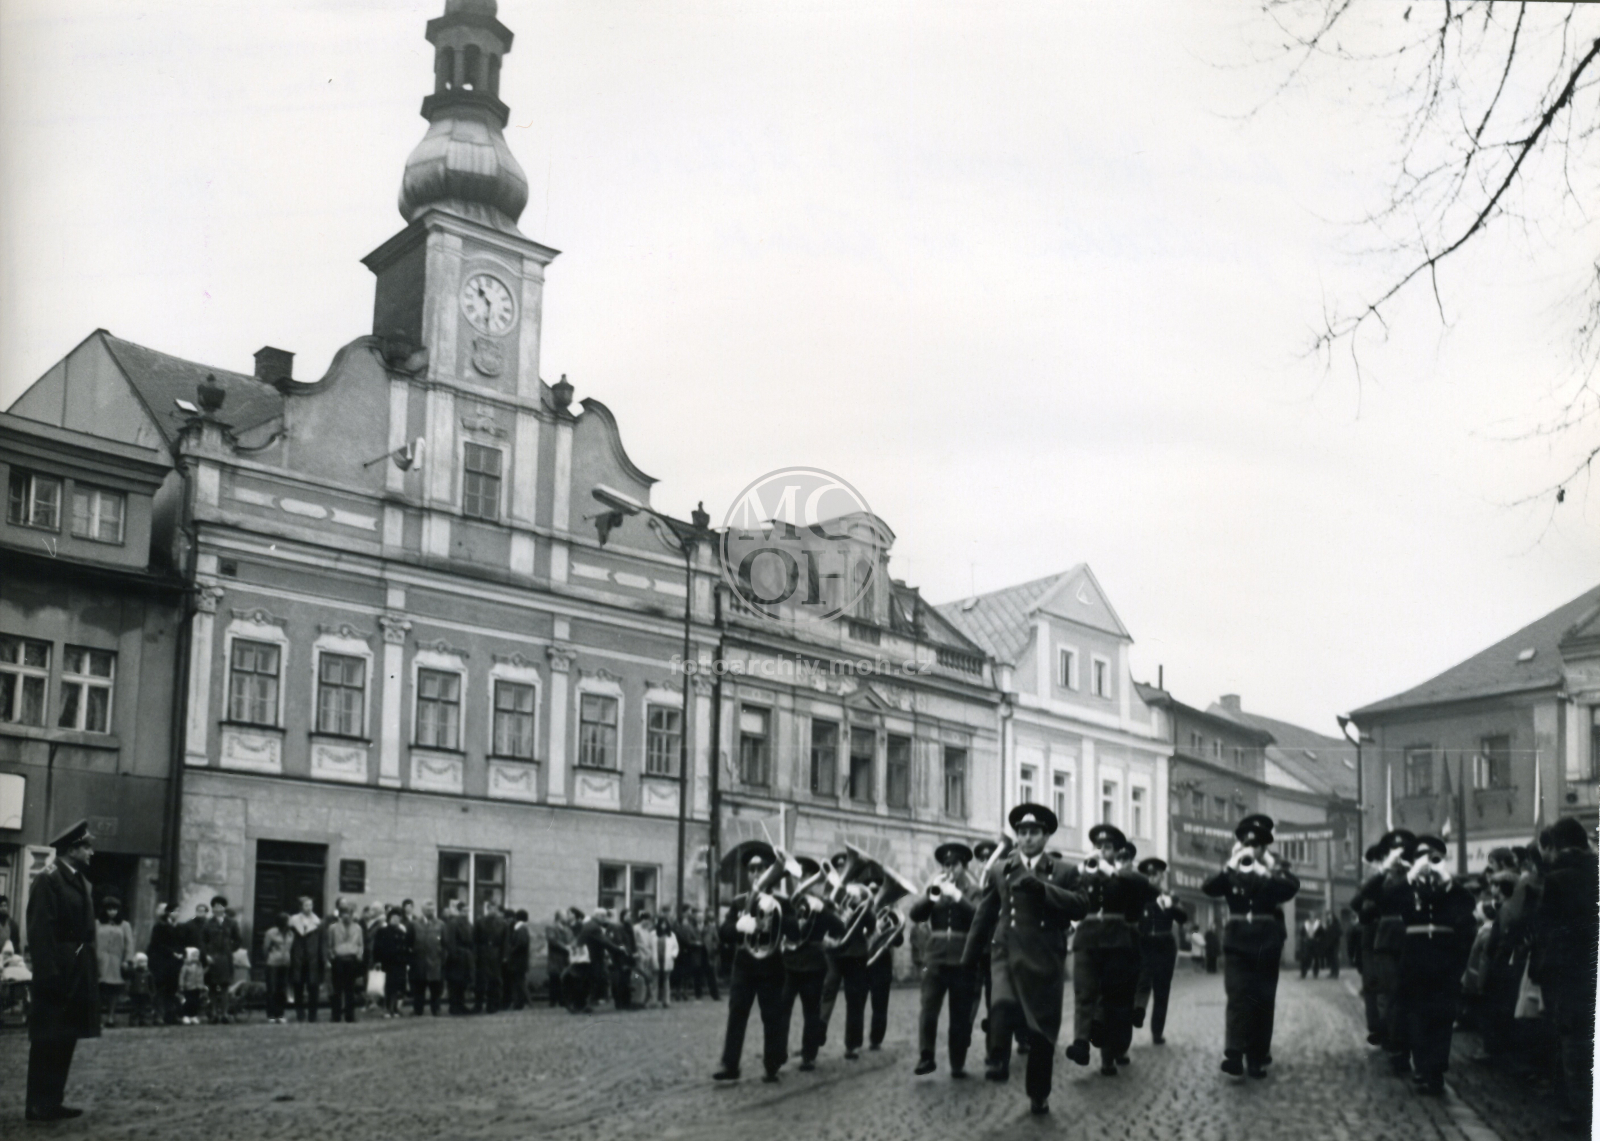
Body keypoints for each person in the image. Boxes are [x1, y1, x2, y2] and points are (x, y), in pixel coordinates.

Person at [964, 803, 1088, 1117]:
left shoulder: (1064, 871)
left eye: (1034, 832)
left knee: (1042, 1034)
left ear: (1046, 836)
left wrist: (1045, 890)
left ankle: (1038, 1094)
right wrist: (968, 956)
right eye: (1022, 832)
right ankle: (996, 1060)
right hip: (1006, 950)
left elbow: (1081, 906)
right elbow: (985, 913)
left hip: (1045, 957)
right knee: (1001, 1003)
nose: (1027, 838)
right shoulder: (1000, 868)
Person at [1202, 813, 1300, 1080]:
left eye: (1256, 846)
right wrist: (1229, 866)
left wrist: (1263, 871)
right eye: (1247, 844)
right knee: (1237, 997)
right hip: (1236, 942)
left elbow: (1291, 887)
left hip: (1265, 943)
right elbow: (1209, 887)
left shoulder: (1274, 868)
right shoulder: (1233, 868)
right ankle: (1234, 1053)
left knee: (1262, 1001)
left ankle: (1256, 1057)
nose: (1251, 850)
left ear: (1265, 847)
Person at [1064, 824, 1155, 1076]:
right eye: (1098, 847)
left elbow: (1148, 887)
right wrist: (1081, 872)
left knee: (1112, 1000)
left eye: (1107, 848)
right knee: (1084, 993)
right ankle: (1081, 1043)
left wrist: (1112, 872)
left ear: (1116, 852)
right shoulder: (1083, 874)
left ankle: (1108, 1056)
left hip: (1117, 943)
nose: (1101, 852)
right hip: (1087, 941)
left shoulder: (1125, 877)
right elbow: (1068, 894)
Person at [25, 820, 100, 1122]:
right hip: (56, 972)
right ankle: (37, 1104)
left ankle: (53, 1101)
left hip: (76, 970)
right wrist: (49, 974)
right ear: (72, 850)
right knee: (47, 1039)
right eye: (87, 847)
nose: (91, 852)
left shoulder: (79, 880)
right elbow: (40, 931)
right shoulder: (48, 879)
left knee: (66, 1036)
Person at [1392, 835, 1476, 1096]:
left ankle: (1435, 1072)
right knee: (1417, 1016)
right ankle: (1422, 1067)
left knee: (1441, 1017)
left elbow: (1467, 908)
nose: (1428, 861)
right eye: (1421, 856)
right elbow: (1389, 899)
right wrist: (1411, 875)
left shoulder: (1453, 890)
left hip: (1443, 962)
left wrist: (1447, 880)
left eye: (1433, 856)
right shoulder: (1409, 886)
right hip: (1415, 961)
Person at [1531, 816, 1597, 1133]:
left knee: (1574, 1041)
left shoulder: (1557, 880)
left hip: (1572, 972)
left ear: (1557, 846)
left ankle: (1580, 1110)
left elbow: (1545, 930)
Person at [713, 852, 790, 1083]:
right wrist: (740, 925)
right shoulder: (739, 902)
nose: (756, 873)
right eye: (752, 869)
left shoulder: (782, 901)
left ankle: (772, 1064)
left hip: (771, 966)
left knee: (772, 1016)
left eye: (760, 869)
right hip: (745, 966)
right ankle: (730, 1065)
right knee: (737, 1014)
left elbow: (795, 931)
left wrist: (778, 918)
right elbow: (724, 933)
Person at [909, 841, 978, 1077]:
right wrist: (930, 895)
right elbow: (915, 914)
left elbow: (979, 917)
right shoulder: (935, 887)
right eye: (946, 864)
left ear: (964, 866)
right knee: (928, 1008)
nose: (949, 869)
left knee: (960, 1014)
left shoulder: (973, 890)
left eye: (954, 865)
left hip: (962, 958)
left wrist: (958, 896)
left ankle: (957, 1062)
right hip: (935, 956)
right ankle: (926, 1057)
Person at [1132, 857, 1188, 1045]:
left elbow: (1183, 918)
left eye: (1155, 874)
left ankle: (1157, 1032)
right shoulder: (1138, 897)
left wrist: (1170, 904)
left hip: (1165, 946)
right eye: (1148, 875)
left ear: (1161, 876)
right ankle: (1138, 1011)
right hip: (1145, 943)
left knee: (1162, 990)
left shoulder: (1169, 896)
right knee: (1143, 981)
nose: (1152, 878)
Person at [94, 895, 134, 1029]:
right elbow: (91, 942)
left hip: (116, 962)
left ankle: (111, 1017)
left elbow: (129, 944)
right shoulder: (97, 924)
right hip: (100, 961)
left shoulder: (124, 925)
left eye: (115, 909)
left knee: (113, 991)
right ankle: (97, 1018)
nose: (112, 912)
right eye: (109, 909)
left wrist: (127, 960)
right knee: (98, 990)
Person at [201, 895, 242, 1024]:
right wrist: (206, 955)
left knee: (224, 986)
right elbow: (202, 941)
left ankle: (224, 1013)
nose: (218, 909)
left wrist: (230, 949)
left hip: (225, 958)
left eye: (221, 906)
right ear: (212, 908)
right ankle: (213, 1014)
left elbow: (238, 940)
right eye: (215, 906)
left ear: (224, 908)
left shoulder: (232, 923)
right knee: (212, 986)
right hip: (212, 958)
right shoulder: (207, 923)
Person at [326, 897, 365, 1022]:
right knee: (337, 990)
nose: (347, 916)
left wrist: (359, 955)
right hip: (338, 960)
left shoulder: (358, 928)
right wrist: (332, 956)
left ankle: (350, 1015)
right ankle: (336, 1015)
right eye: (344, 914)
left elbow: (360, 944)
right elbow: (329, 945)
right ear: (340, 914)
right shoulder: (332, 928)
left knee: (350, 989)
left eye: (349, 913)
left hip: (352, 960)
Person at [146, 903, 186, 1026]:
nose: (177, 914)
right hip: (161, 961)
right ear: (168, 913)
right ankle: (158, 1015)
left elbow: (182, 943)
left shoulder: (179, 927)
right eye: (174, 911)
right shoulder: (159, 927)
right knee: (160, 988)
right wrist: (172, 953)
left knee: (172, 988)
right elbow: (156, 944)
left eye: (178, 911)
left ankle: (171, 1015)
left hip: (175, 962)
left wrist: (181, 953)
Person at [288, 896, 324, 1022]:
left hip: (312, 959)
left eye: (310, 905)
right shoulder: (293, 921)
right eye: (306, 905)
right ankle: (300, 1013)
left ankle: (312, 1014)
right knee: (298, 986)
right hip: (298, 958)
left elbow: (321, 943)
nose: (309, 908)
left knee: (313, 987)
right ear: (300, 907)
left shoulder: (317, 922)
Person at [372, 909, 412, 1017]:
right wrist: (377, 961)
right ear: (389, 919)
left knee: (398, 988)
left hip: (400, 964)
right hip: (387, 964)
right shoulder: (382, 931)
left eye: (398, 918)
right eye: (394, 918)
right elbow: (377, 948)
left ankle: (395, 1008)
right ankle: (387, 1009)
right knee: (388, 987)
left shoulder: (402, 932)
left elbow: (406, 948)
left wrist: (407, 962)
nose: (396, 920)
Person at [411, 899, 445, 1016]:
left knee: (436, 989)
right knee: (419, 988)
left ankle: (436, 1009)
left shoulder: (440, 924)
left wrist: (441, 955)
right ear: (422, 910)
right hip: (419, 961)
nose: (429, 911)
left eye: (431, 909)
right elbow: (410, 941)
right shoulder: (415, 924)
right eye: (427, 909)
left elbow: (445, 943)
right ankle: (418, 1010)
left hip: (435, 961)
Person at [474, 899, 508, 1014]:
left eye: (495, 908)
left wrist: (504, 956)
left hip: (496, 953)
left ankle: (492, 1005)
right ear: (487, 909)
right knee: (481, 981)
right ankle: (478, 1005)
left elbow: (505, 941)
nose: (493, 911)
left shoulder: (503, 923)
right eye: (491, 908)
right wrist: (476, 954)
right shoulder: (480, 922)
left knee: (494, 981)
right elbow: (475, 939)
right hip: (482, 953)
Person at [443, 898, 476, 1015]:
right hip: (457, 956)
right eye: (463, 911)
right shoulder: (453, 923)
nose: (465, 914)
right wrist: (454, 955)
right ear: (459, 911)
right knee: (454, 983)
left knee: (463, 983)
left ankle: (461, 1005)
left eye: (467, 911)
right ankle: (454, 1006)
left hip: (466, 956)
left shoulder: (468, 924)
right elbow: (450, 941)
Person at [261, 912, 293, 1023]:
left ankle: (280, 1014)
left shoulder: (290, 934)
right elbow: (265, 948)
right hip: (273, 964)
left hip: (285, 964)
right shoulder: (271, 933)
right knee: (272, 989)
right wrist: (268, 959)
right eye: (289, 920)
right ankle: (271, 1014)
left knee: (282, 990)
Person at [544, 910, 573, 1008]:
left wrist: (571, 946)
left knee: (564, 979)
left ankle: (563, 1000)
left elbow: (571, 939)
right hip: (556, 957)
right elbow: (553, 940)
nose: (567, 917)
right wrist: (565, 947)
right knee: (554, 979)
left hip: (565, 958)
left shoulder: (567, 928)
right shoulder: (551, 927)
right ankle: (553, 1001)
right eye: (565, 916)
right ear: (559, 917)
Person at [651, 912, 679, 1009]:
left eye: (665, 924)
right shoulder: (653, 934)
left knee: (666, 981)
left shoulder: (671, 935)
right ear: (658, 924)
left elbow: (676, 947)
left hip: (667, 959)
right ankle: (653, 1001)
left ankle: (666, 1001)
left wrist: (673, 955)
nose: (663, 926)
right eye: (661, 924)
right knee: (655, 981)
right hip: (656, 959)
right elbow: (649, 946)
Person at [507, 909, 533, 1011]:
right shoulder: (523, 928)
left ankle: (527, 1002)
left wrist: (511, 951)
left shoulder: (520, 929)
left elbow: (520, 944)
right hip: (520, 960)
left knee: (519, 982)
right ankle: (519, 1003)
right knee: (518, 981)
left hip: (518, 960)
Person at [178, 947, 206, 1024]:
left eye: (197, 956)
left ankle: (193, 1015)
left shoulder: (199, 966)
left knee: (195, 1002)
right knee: (188, 1002)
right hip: (188, 987)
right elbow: (182, 976)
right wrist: (181, 985)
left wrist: (202, 985)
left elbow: (201, 976)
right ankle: (186, 1015)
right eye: (193, 956)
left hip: (197, 987)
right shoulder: (185, 966)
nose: (196, 958)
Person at [127, 952, 154, 1027]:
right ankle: (133, 1021)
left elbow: (151, 984)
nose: (143, 964)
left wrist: (152, 992)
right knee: (134, 1008)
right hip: (135, 993)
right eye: (141, 962)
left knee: (145, 1008)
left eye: (145, 962)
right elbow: (130, 981)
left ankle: (144, 1020)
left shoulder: (148, 973)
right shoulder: (133, 972)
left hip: (145, 994)